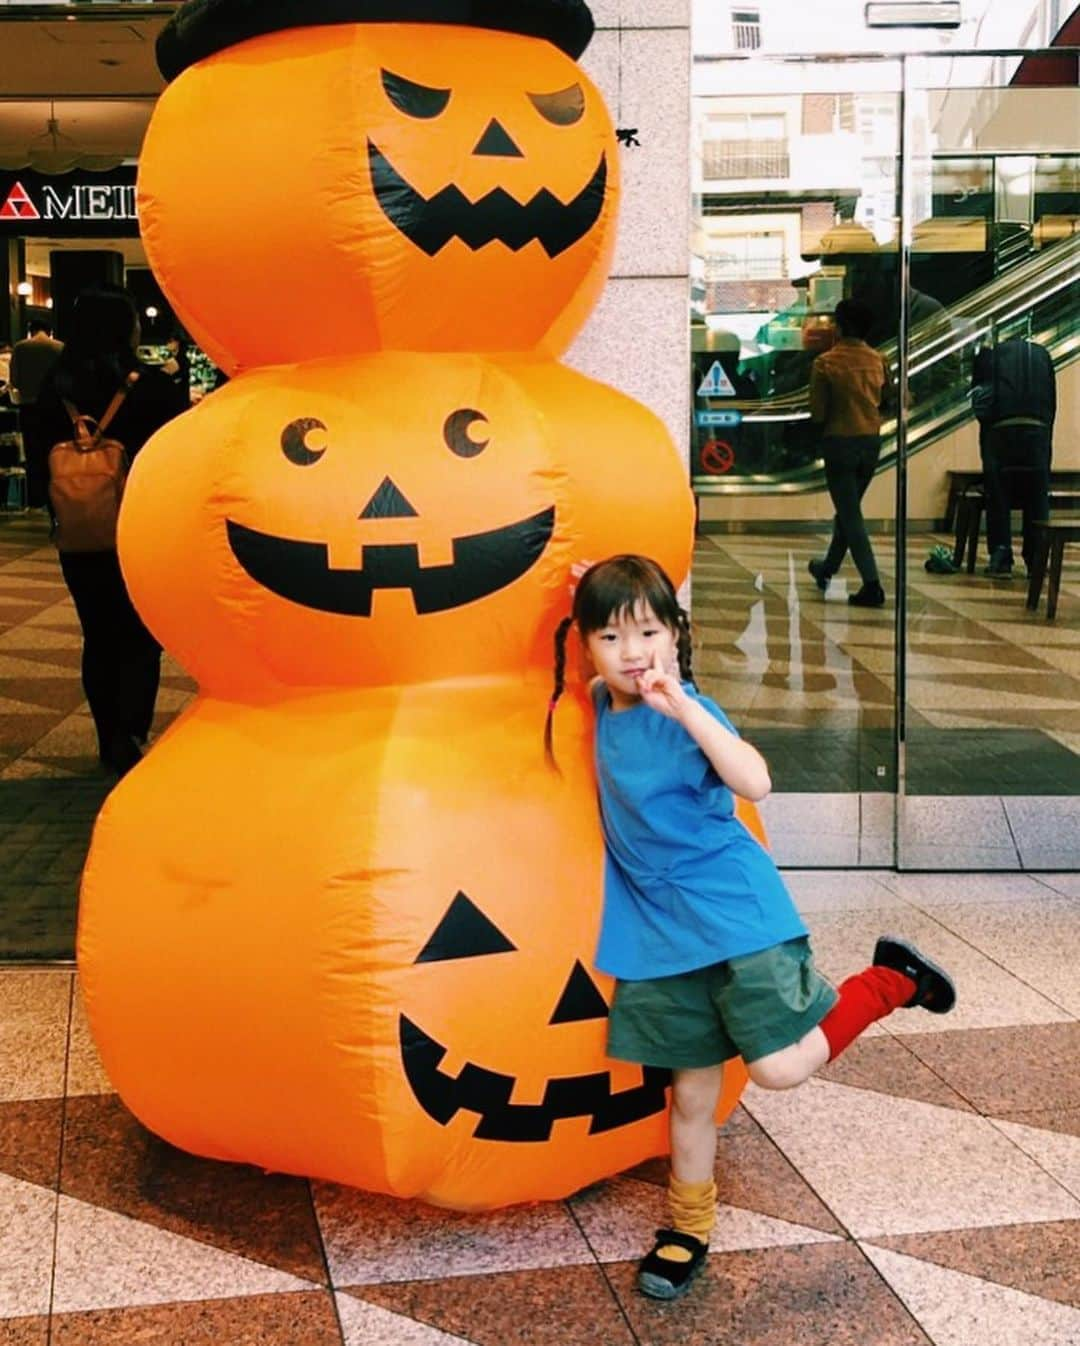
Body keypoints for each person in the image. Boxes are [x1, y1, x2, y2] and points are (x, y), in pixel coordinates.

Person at [546, 555, 956, 1302]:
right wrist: (584, 586)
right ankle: (686, 1229)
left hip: (736, 914)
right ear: (587, 647)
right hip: (659, 932)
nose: (632, 651)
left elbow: (755, 781)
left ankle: (888, 981)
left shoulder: (689, 713)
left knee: (777, 1069)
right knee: (691, 1097)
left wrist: (686, 709)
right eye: (610, 637)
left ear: (676, 635)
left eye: (648, 631)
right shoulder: (602, 702)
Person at [35, 286, 187, 775]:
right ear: (126, 328)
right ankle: (133, 729)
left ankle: (109, 737)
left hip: (80, 533)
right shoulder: (156, 389)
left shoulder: (53, 388)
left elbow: (41, 465)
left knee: (98, 634)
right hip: (142, 527)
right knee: (141, 635)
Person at [806, 298, 895, 607]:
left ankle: (872, 584)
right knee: (848, 511)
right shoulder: (879, 360)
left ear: (840, 326)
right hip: (871, 442)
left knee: (850, 514)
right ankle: (826, 568)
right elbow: (888, 400)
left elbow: (818, 413)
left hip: (839, 442)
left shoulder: (825, 363)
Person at [971, 337, 1056, 578]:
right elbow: (1052, 403)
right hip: (1037, 432)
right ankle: (1036, 558)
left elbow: (980, 402)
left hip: (1000, 432)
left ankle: (1001, 556)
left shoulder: (988, 355)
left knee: (997, 494)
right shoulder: (1043, 354)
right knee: (1037, 497)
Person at [9, 319, 63, 507]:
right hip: (55, 407)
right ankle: (54, 496)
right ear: (50, 331)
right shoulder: (59, 348)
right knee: (54, 450)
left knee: (33, 453)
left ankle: (35, 497)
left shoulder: (20, 348)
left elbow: (14, 380)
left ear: (30, 331)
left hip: (29, 406)